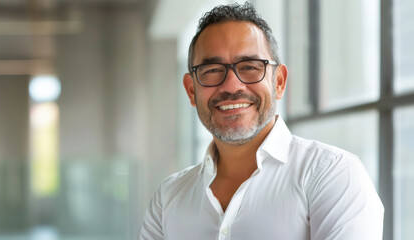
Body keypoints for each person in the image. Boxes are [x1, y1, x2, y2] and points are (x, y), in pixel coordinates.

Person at [137, 2, 384, 240]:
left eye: (250, 66)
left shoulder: (331, 175)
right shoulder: (168, 198)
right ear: (191, 91)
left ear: (279, 82)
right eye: (212, 70)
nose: (231, 85)